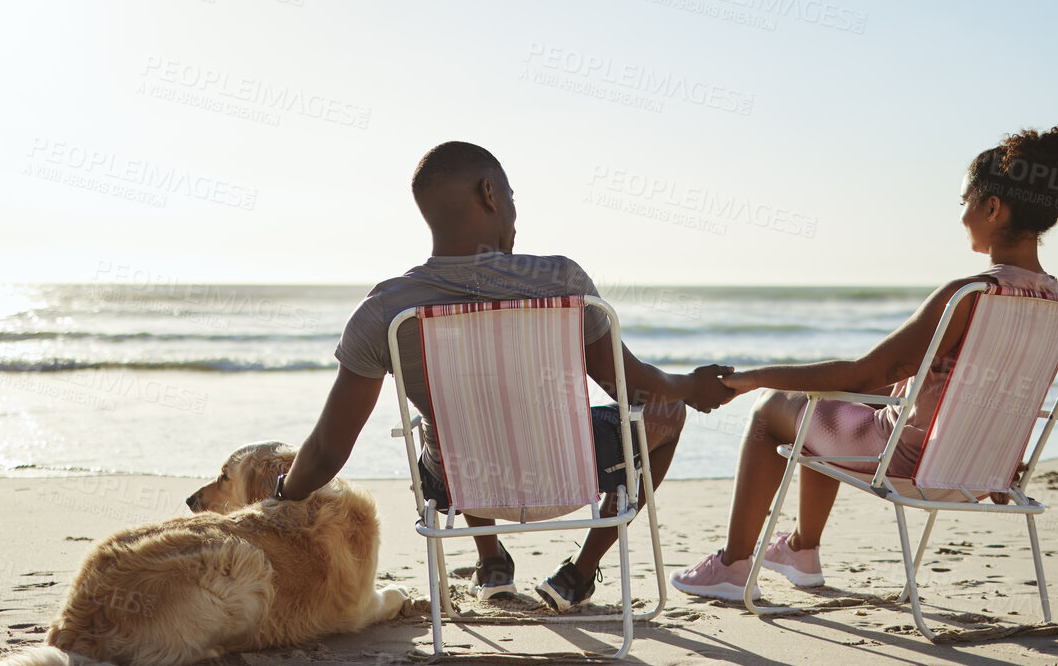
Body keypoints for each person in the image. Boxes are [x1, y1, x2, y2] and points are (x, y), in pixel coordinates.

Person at [275, 141, 734, 611]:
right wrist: (689, 388)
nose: (515, 211)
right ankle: (578, 574)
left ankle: (491, 560)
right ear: (489, 193)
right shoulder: (561, 281)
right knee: (667, 413)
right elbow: (630, 385)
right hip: (572, 472)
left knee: (451, 418)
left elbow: (329, 449)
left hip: (460, 482)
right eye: (512, 196)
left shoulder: (385, 310)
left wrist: (281, 498)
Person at [670, 126, 1058, 600]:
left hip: (913, 461)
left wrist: (748, 379)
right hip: (982, 468)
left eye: (967, 200)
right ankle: (800, 550)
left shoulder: (968, 295)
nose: (963, 214)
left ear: (992, 207)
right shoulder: (1055, 299)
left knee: (772, 407)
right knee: (831, 404)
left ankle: (733, 565)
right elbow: (965, 386)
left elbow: (864, 373)